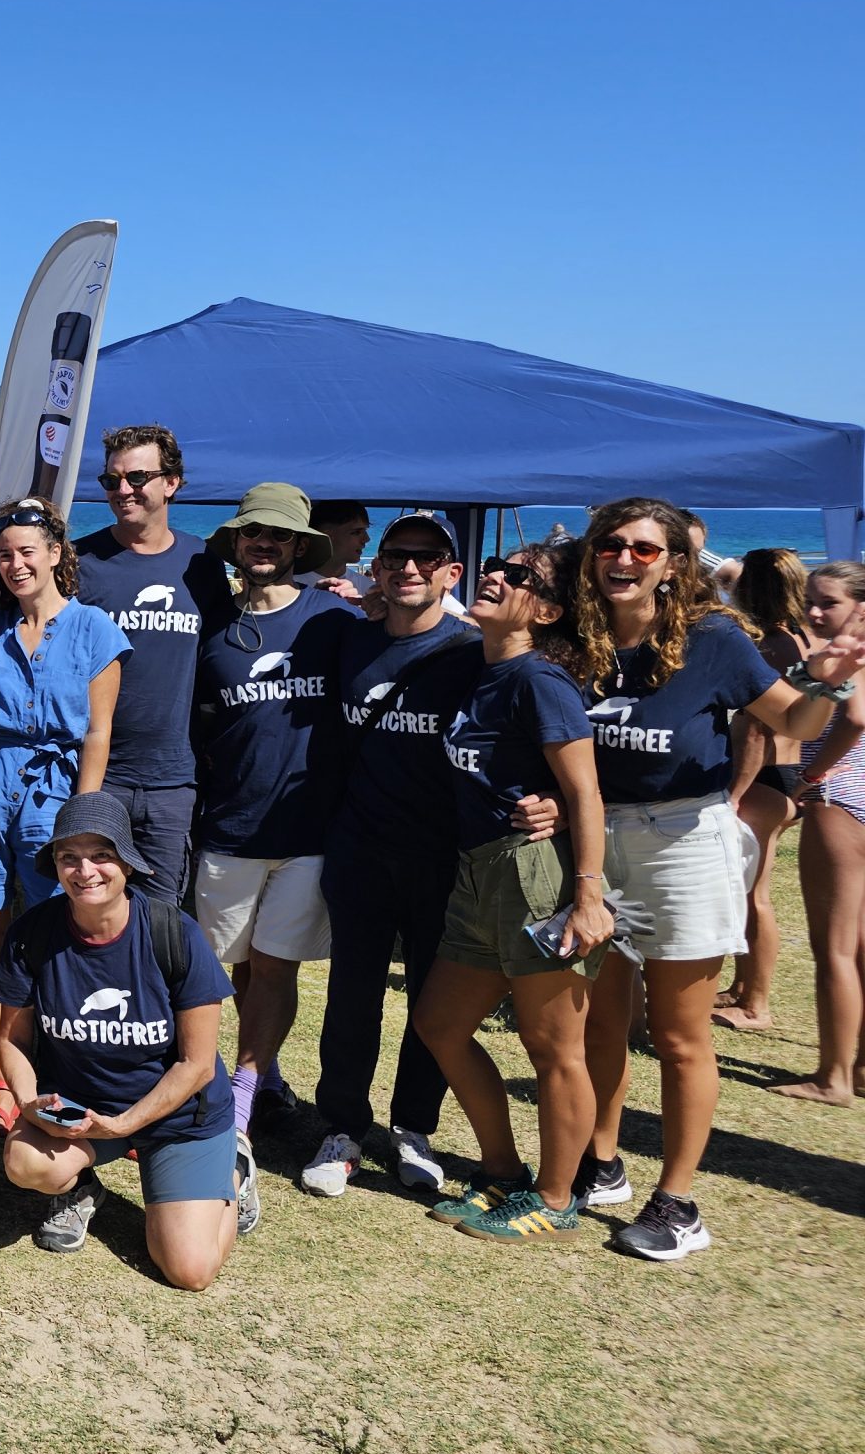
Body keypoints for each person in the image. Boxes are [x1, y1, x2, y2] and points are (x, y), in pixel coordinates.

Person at [564, 500, 863, 1259]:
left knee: (677, 1033)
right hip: (594, 842)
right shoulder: (574, 638)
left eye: (643, 549)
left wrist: (825, 683)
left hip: (683, 843)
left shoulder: (713, 639)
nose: (623, 559)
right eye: (610, 545)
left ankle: (678, 1204)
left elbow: (794, 722)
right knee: (601, 1020)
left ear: (672, 564)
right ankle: (602, 1161)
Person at [414, 543, 614, 1243]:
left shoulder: (540, 681)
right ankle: (503, 1170)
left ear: (549, 612)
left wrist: (587, 896)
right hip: (480, 872)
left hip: (536, 875)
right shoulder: (487, 666)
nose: (494, 575)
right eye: (494, 564)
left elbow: (586, 793)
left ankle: (555, 1198)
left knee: (553, 1047)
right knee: (440, 1024)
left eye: (519, 576)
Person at [0, 793, 241, 1289]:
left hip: (176, 1117)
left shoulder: (175, 934)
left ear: (127, 863)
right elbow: (11, 1039)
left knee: (189, 1270)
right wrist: (28, 1102)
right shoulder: (32, 934)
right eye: (69, 857)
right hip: (82, 1109)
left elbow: (196, 1065)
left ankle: (232, 1173)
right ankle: (82, 1189)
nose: (85, 870)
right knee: (24, 1162)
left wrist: (125, 1124)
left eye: (101, 855)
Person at [303, 513, 480, 1199]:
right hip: (360, 848)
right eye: (397, 556)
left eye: (427, 558)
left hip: (442, 856)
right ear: (375, 570)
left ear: (451, 573)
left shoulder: (473, 652)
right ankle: (342, 1126)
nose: (411, 567)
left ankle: (414, 1128)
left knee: (432, 1000)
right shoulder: (350, 640)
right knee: (353, 995)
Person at [187, 484, 350, 1165]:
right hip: (228, 829)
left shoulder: (333, 618)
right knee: (233, 971)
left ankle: (244, 1096)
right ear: (235, 542)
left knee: (277, 967)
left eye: (280, 536)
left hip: (307, 833)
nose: (264, 544)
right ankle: (266, 1074)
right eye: (253, 532)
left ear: (300, 547)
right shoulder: (209, 624)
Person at [0, 498, 125, 923]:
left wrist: (83, 813)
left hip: (55, 786)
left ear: (54, 553)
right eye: (4, 554)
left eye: (26, 552)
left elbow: (98, 731)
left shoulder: (94, 627)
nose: (15, 564)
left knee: (59, 911)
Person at [71, 425, 235, 905]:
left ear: (172, 482)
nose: (123, 490)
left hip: (173, 779)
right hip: (95, 772)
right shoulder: (81, 563)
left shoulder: (202, 562)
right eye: (112, 480)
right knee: (91, 906)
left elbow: (225, 652)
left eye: (138, 477)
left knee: (162, 915)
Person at [715, 547, 818, 1029]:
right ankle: (742, 987)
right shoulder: (805, 640)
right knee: (752, 890)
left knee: (751, 896)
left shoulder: (769, 648)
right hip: (789, 774)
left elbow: (755, 731)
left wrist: (734, 795)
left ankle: (755, 1003)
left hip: (762, 779)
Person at [777, 562, 865, 1106]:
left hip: (838, 799)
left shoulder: (849, 656)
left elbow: (854, 718)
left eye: (828, 602)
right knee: (858, 943)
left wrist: (810, 776)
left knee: (832, 947)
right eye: (810, 599)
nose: (813, 611)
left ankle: (833, 1077)